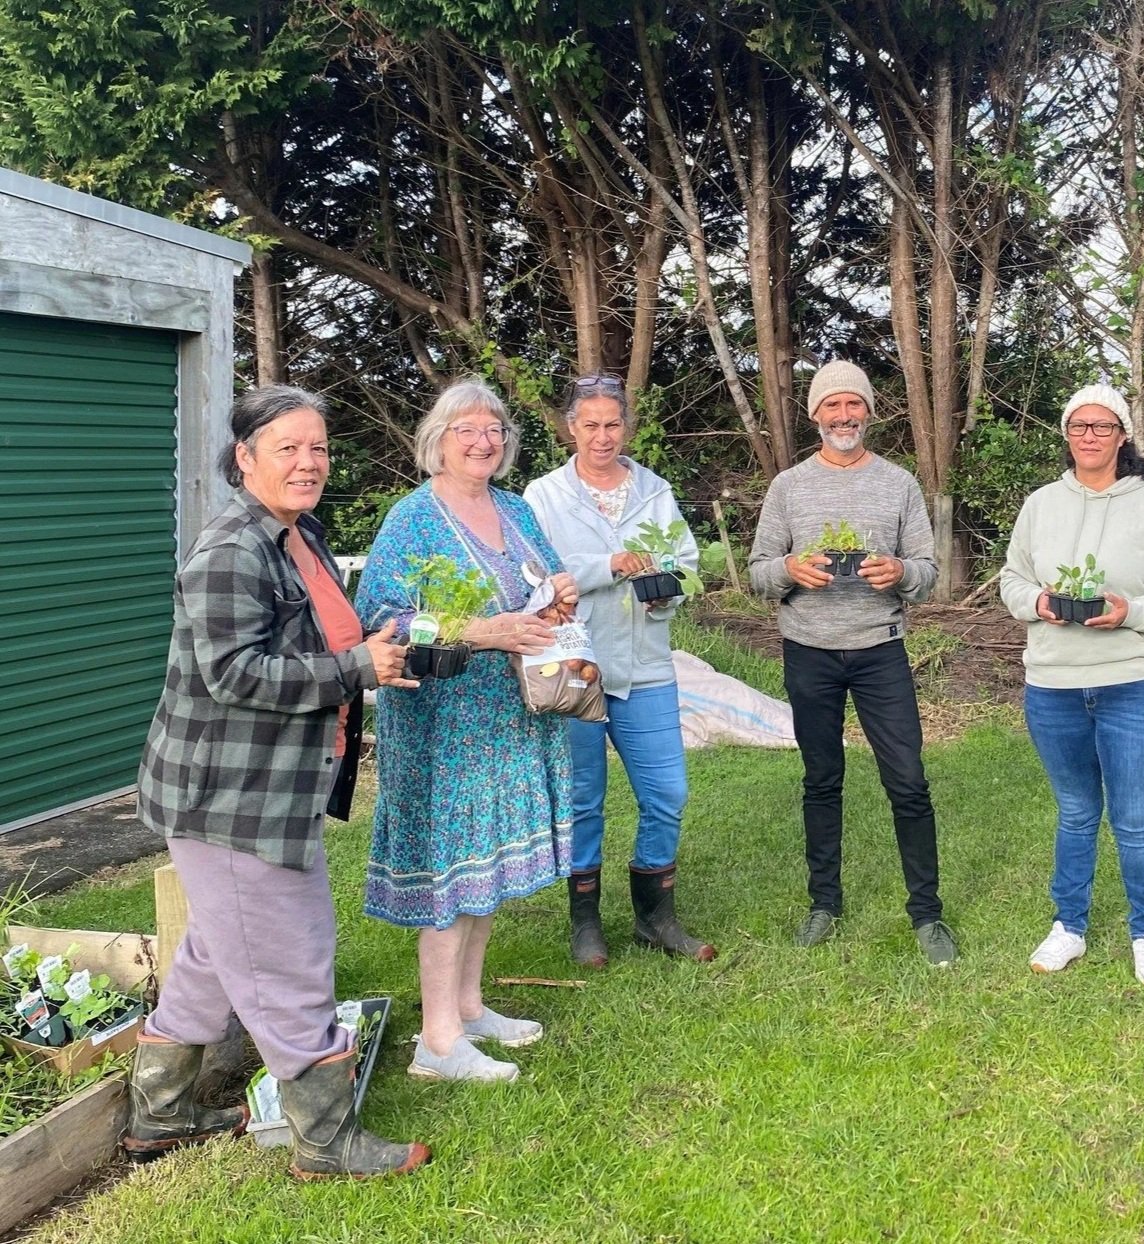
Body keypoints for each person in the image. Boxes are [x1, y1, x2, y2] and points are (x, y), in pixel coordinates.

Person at [129, 385, 429, 1180]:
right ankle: (325, 1144)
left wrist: (376, 644)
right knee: (289, 955)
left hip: (266, 784)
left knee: (214, 951)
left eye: (318, 448)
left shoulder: (298, 535)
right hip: (229, 795)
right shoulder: (232, 548)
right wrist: (357, 666)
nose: (308, 463)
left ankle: (159, 1115)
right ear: (245, 458)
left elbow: (320, 636)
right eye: (288, 448)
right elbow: (233, 673)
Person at [355, 376, 580, 1083]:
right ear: (437, 442)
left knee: (485, 871)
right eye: (466, 430)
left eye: (493, 430)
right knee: (452, 877)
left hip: (511, 714)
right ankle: (438, 1041)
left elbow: (540, 586)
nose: (483, 441)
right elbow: (385, 620)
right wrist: (482, 630)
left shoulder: (515, 510)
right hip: (442, 725)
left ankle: (471, 1007)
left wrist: (556, 595)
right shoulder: (412, 519)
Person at [748, 360, 956, 966]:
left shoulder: (898, 485)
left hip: (879, 650)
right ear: (814, 415)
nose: (844, 416)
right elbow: (760, 570)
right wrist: (787, 570)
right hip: (808, 650)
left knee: (909, 782)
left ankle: (927, 913)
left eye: (854, 405)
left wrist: (902, 573)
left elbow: (927, 570)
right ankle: (824, 903)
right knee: (821, 779)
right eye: (832, 406)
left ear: (869, 411)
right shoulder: (789, 486)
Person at [999, 384, 1144, 985]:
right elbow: (1011, 579)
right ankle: (1070, 926)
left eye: (1102, 426)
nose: (1089, 436)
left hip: (1136, 684)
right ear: (1067, 436)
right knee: (1076, 811)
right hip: (1054, 685)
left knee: (1135, 818)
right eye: (1078, 426)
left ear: (1122, 436)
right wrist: (1039, 600)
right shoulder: (1039, 505)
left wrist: (1131, 612)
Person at [523, 374, 715, 968]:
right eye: (590, 425)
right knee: (585, 798)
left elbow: (684, 563)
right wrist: (609, 564)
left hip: (647, 665)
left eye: (612, 424)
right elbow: (533, 574)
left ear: (625, 427)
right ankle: (586, 924)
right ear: (570, 428)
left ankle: (655, 917)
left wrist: (667, 594)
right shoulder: (544, 495)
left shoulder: (654, 491)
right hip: (576, 668)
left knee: (667, 793)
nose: (602, 436)